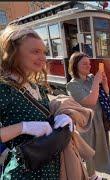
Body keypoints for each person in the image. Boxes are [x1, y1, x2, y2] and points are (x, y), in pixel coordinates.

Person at [0, 25, 73, 179]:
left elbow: (43, 120)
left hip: (49, 168)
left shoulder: (37, 87)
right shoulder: (3, 88)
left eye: (44, 52)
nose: (43, 58)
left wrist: (61, 119)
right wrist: (23, 127)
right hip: (23, 173)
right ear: (14, 53)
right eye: (35, 52)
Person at [66, 52, 110, 180]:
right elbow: (90, 101)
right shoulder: (72, 85)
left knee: (98, 147)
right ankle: (91, 176)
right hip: (85, 123)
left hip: (99, 118)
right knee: (88, 149)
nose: (89, 66)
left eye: (89, 63)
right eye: (84, 63)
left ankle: (93, 173)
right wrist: (96, 81)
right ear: (75, 65)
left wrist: (105, 83)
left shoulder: (91, 78)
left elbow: (105, 94)